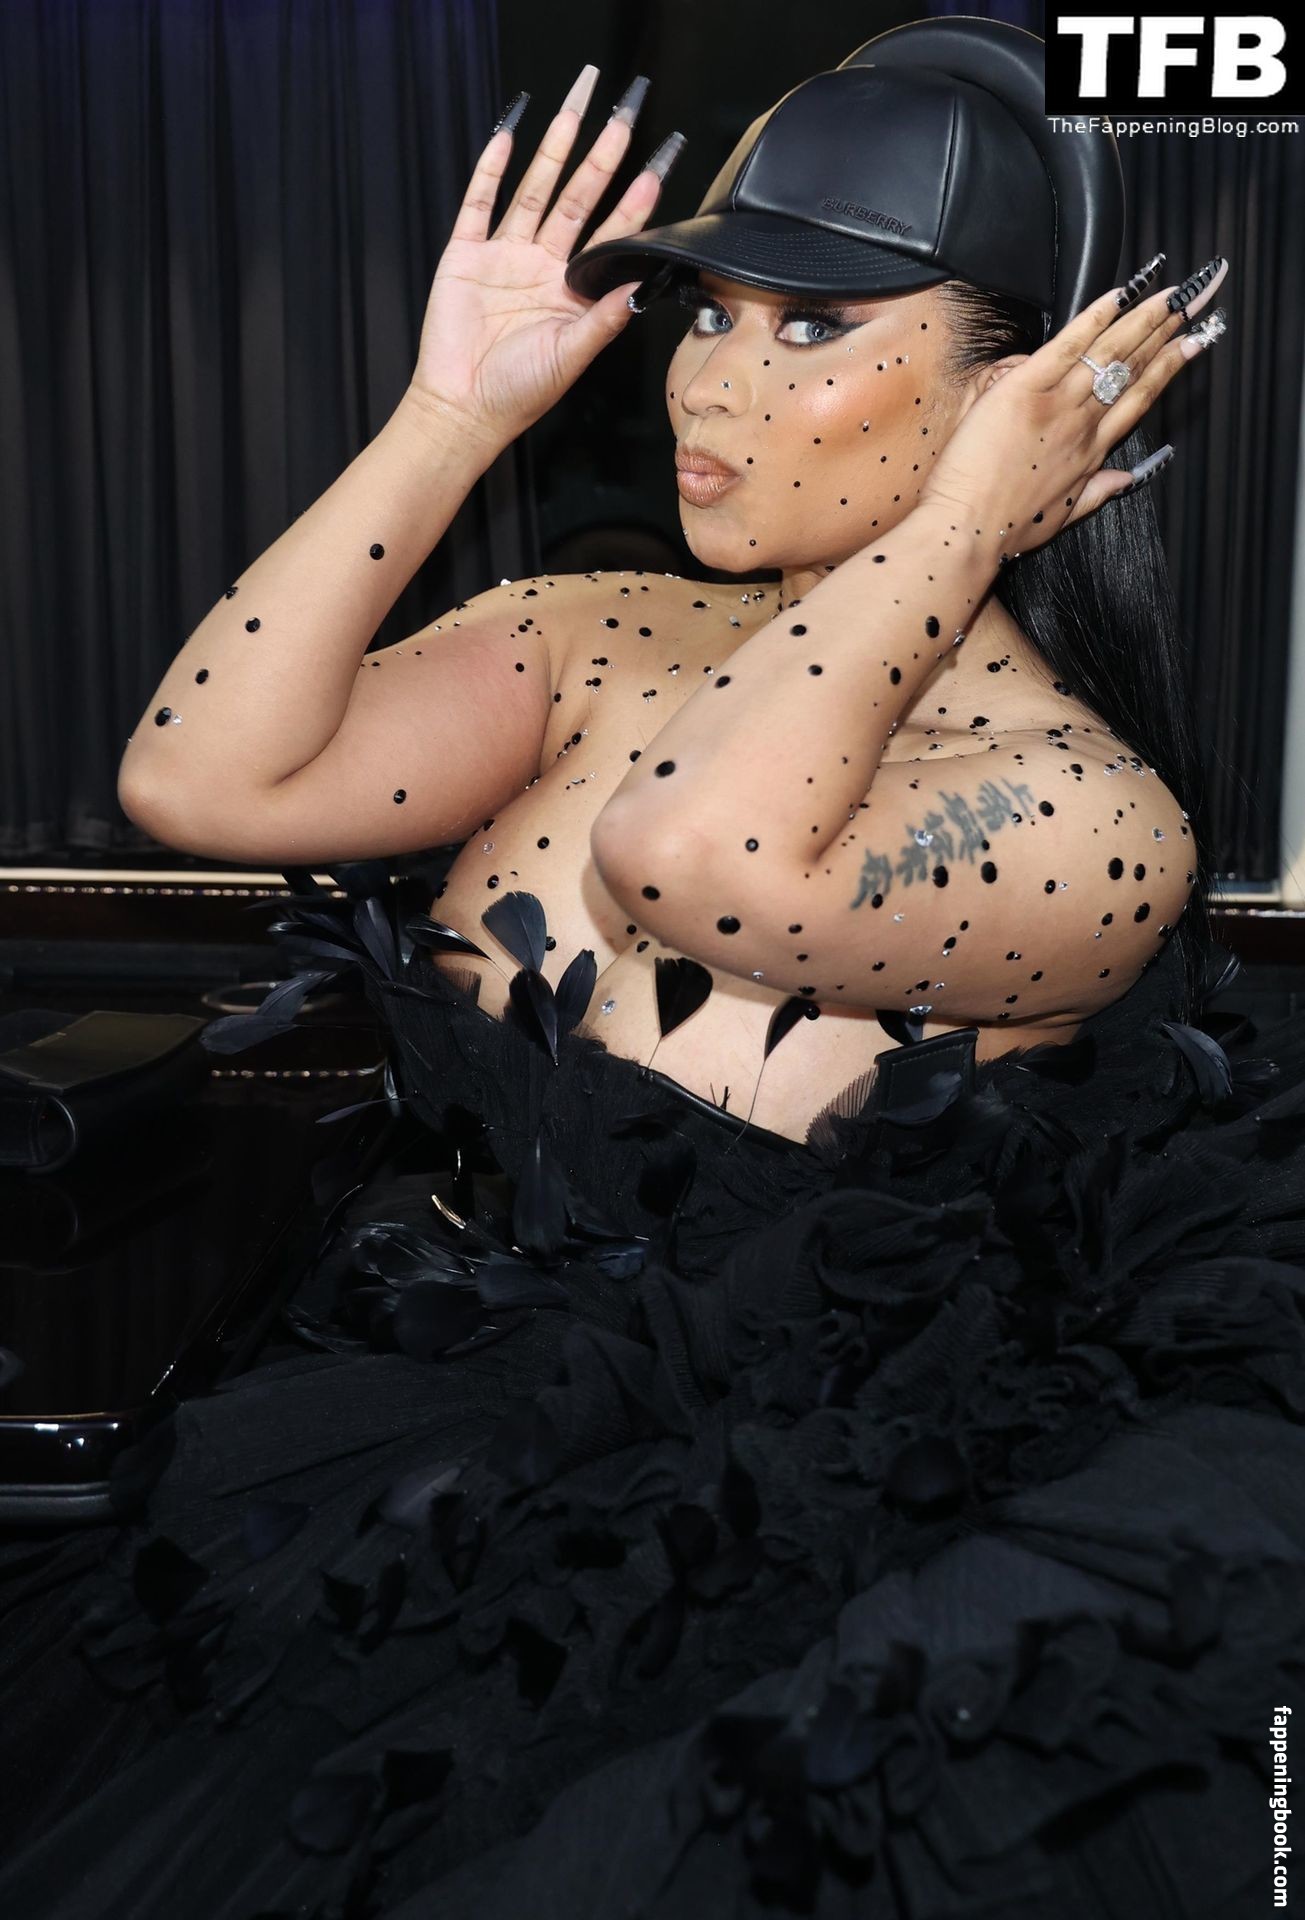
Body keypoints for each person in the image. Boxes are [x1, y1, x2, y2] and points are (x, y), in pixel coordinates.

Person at [2, 21, 1302, 1919]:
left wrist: (963, 527)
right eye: (709, 311)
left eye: (812, 328)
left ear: (1029, 399)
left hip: (790, 1557)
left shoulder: (1090, 815)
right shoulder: (598, 632)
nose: (709, 379)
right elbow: (203, 778)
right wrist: (452, 411)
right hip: (418, 1460)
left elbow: (691, 860)